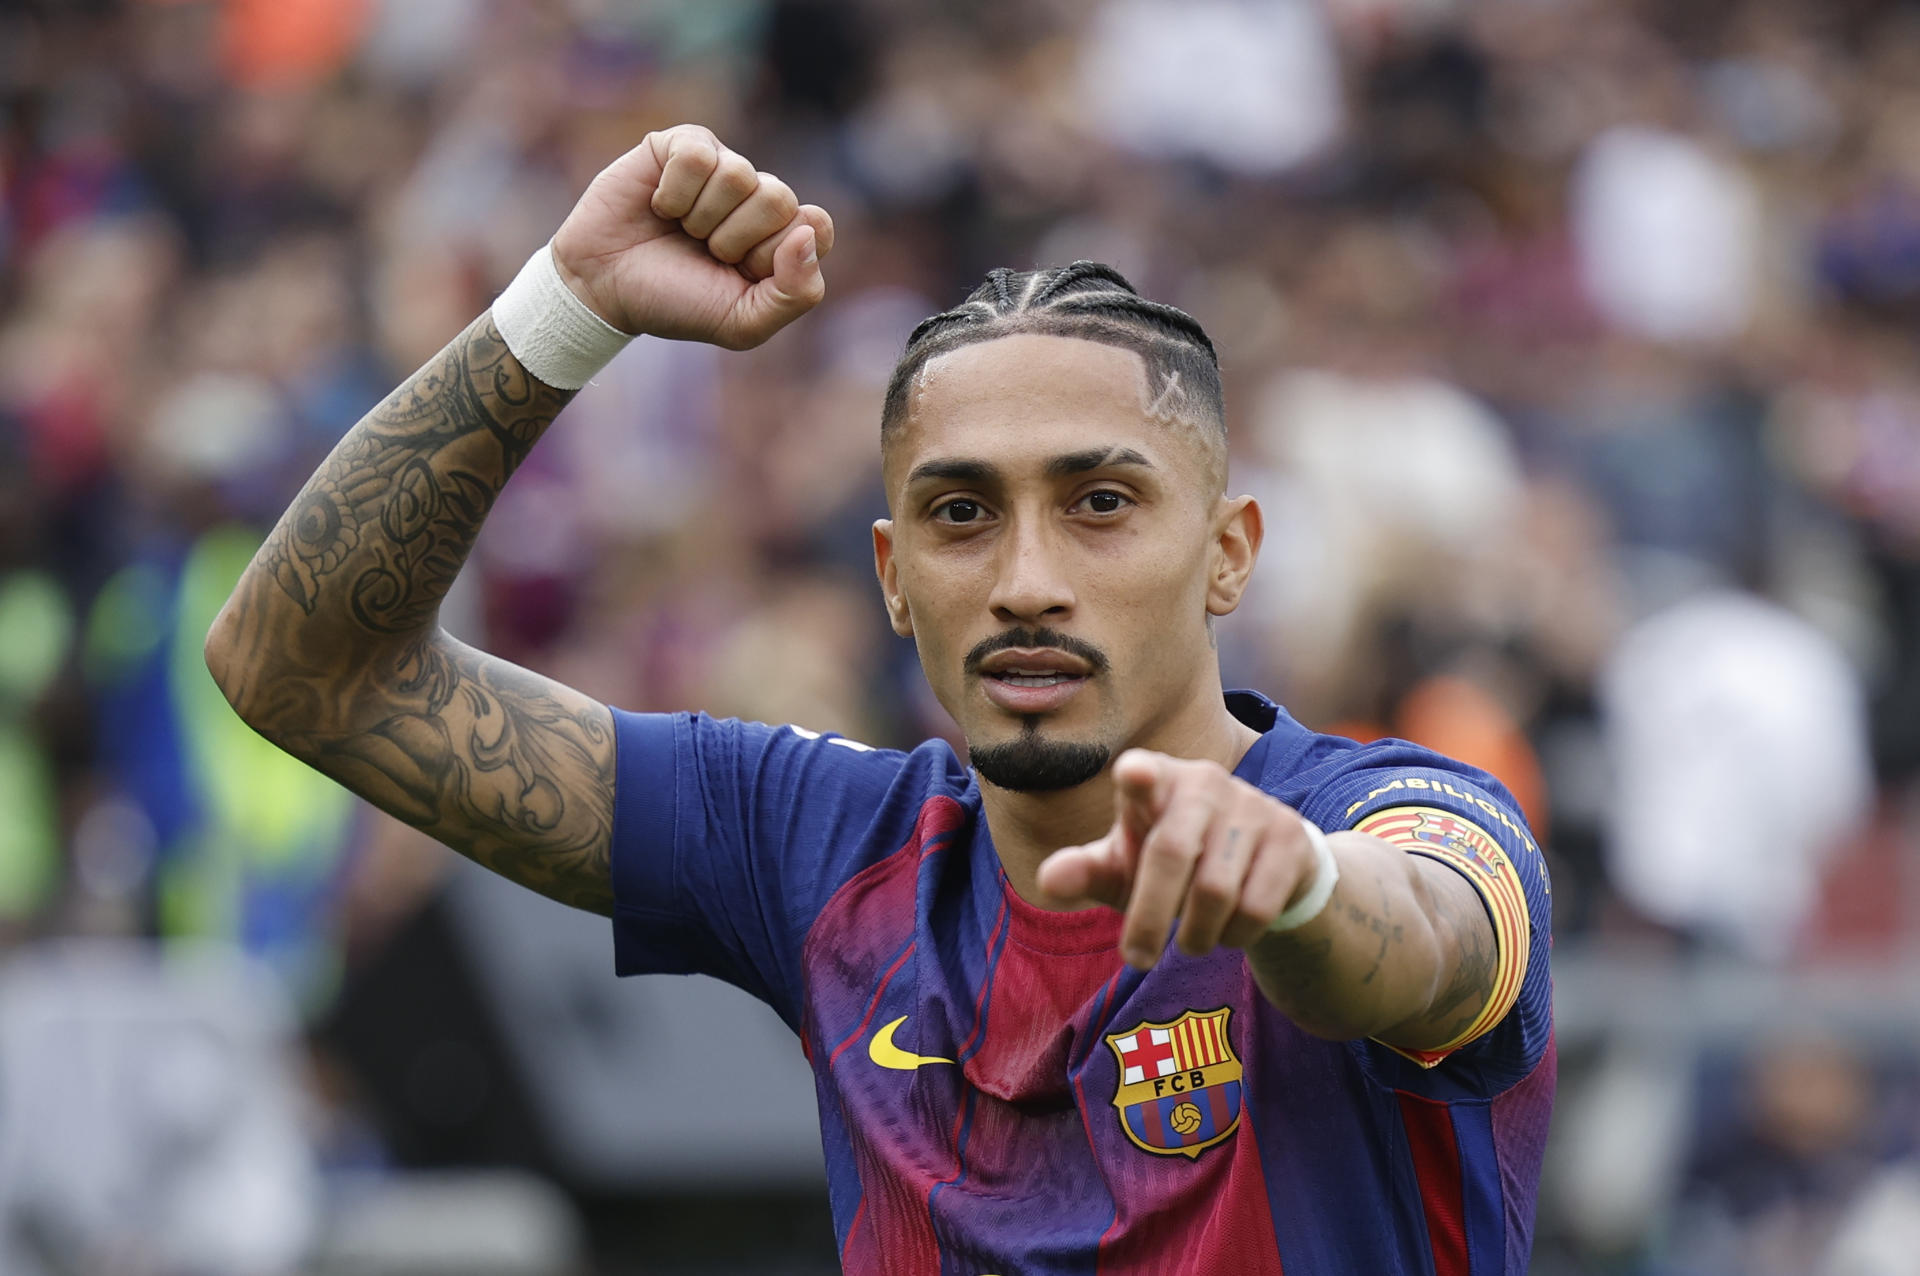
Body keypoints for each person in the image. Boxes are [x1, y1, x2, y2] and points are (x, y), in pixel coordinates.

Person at [206, 125, 1553, 1274]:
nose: (1027, 579)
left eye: (1100, 505)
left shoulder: (1388, 813)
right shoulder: (816, 846)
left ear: (1229, 554)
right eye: (962, 514)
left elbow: (1430, 939)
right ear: (894, 579)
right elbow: (300, 666)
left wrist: (1302, 894)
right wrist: (567, 305)